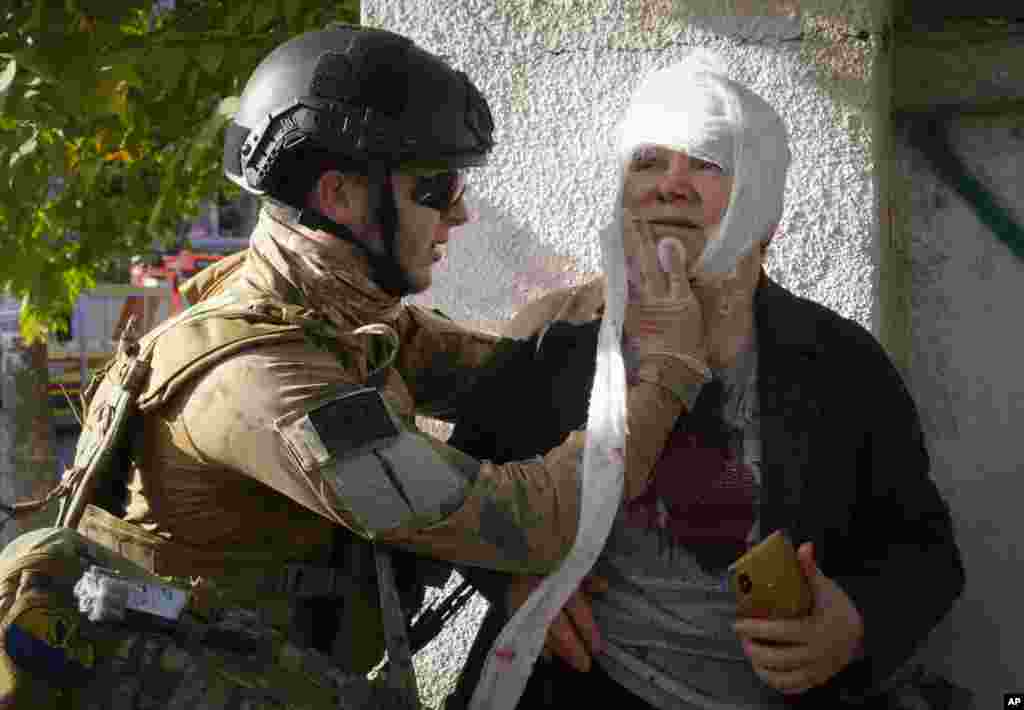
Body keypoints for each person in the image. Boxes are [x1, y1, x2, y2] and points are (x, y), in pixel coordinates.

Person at [66, 23, 706, 685]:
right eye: (435, 188)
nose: (457, 216)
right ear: (338, 195)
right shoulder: (268, 387)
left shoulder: (313, 307)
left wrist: (627, 291)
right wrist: (668, 373)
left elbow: (506, 373)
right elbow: (537, 517)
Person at [447, 54, 965, 709]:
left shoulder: (840, 363)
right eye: (647, 161)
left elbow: (926, 553)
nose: (670, 184)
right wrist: (515, 583)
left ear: (762, 203)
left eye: (707, 162)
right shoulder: (555, 337)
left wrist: (854, 623)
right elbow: (458, 501)